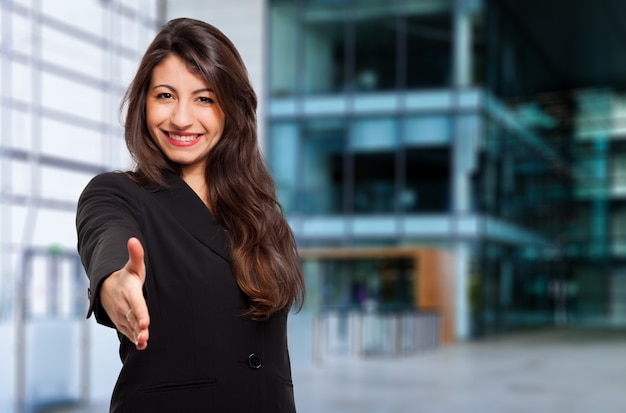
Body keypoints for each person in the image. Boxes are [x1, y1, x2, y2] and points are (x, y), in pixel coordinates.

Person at [76, 18, 305, 412]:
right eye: (165, 96)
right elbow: (107, 236)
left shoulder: (262, 214)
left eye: (204, 98)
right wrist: (115, 284)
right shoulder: (119, 193)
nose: (182, 119)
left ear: (231, 109)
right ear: (143, 102)